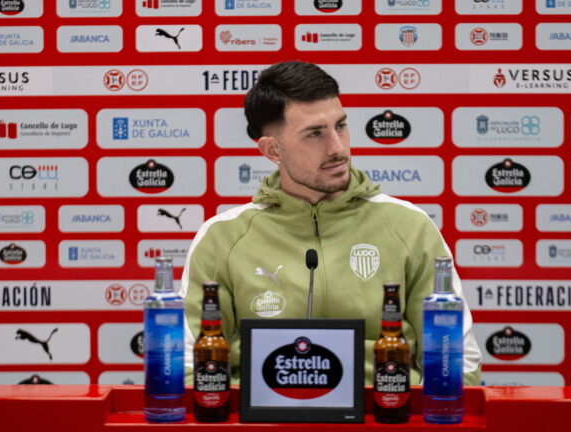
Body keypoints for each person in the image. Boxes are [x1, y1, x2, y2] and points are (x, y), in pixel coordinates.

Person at [181, 61, 481, 385]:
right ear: (272, 149)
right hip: (261, 412)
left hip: (387, 407)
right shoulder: (222, 238)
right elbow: (188, 366)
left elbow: (456, 364)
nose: (337, 148)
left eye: (340, 126)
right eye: (315, 134)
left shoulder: (410, 227)